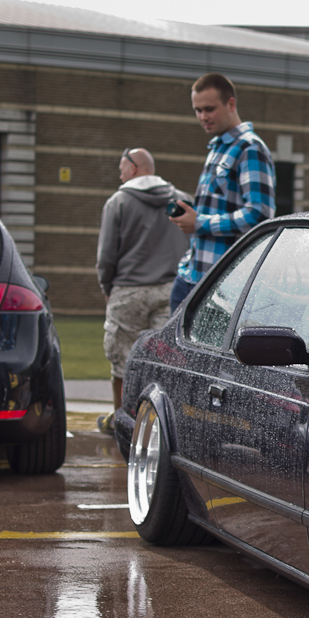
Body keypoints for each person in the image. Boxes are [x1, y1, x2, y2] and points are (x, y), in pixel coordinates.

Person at [95, 147, 190, 434]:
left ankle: (121, 423)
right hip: (170, 290)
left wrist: (107, 286)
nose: (119, 174)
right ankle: (161, 428)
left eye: (122, 168)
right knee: (164, 362)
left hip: (129, 290)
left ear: (134, 168)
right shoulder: (182, 200)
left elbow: (107, 254)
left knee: (122, 360)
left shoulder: (118, 201)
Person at [168, 72, 275, 312]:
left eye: (209, 109)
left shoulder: (250, 148)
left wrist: (200, 223)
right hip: (190, 277)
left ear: (231, 104)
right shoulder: (217, 148)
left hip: (222, 286)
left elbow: (259, 215)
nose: (203, 117)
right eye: (197, 110)